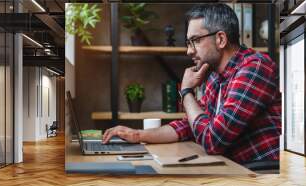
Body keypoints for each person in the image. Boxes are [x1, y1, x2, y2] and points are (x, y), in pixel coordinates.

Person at [103, 3, 281, 170]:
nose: (189, 51)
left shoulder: (255, 68)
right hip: (231, 168)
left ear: (220, 39)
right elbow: (191, 125)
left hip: (258, 176)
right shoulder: (215, 76)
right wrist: (138, 135)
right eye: (188, 43)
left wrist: (187, 92)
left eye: (195, 40)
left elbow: (213, 141)